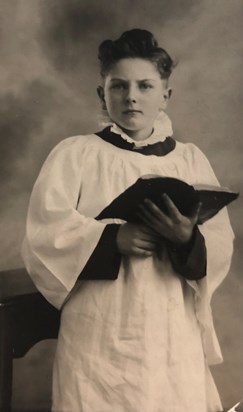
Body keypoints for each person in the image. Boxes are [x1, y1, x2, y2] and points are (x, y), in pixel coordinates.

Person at [22, 29, 234, 412]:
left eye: (145, 86)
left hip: (171, 320)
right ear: (102, 94)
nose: (131, 96)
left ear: (165, 96)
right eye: (118, 86)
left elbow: (220, 240)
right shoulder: (76, 154)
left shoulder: (189, 159)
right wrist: (110, 239)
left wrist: (188, 238)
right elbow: (43, 233)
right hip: (101, 323)